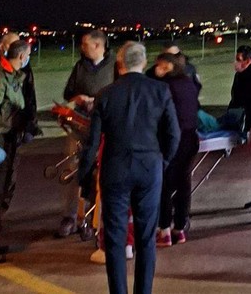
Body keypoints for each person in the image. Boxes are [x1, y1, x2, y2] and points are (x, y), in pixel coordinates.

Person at [78, 42, 179, 294]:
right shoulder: (160, 91)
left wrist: (84, 176)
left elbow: (92, 143)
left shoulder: (105, 94)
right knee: (146, 239)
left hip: (115, 168)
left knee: (114, 239)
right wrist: (161, 162)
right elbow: (173, 135)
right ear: (144, 62)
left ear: (119, 64)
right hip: (149, 167)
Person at [58, 30, 114, 238]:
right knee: (72, 169)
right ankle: (70, 216)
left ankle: (97, 218)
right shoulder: (80, 66)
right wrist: (79, 98)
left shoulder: (114, 66)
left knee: (102, 173)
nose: (81, 48)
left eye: (85, 44)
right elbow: (67, 92)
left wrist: (98, 102)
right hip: (80, 126)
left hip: (105, 128)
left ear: (98, 46)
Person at [152, 52, 200, 247]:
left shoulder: (165, 87)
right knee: (183, 183)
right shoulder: (189, 83)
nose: (158, 69)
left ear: (171, 67)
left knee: (163, 185)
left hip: (172, 139)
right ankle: (179, 228)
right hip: (190, 137)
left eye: (162, 66)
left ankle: (164, 230)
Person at [0, 38, 30, 264]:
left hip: (7, 137)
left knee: (0, 191)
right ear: (21, 56)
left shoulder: (12, 76)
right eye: (28, 55)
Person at [0, 33, 39, 217]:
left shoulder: (24, 71)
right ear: (2, 47)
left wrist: (30, 125)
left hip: (14, 132)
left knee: (8, 181)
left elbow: (30, 99)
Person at [228, 45, 251, 209]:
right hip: (250, 121)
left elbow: (249, 97)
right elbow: (235, 98)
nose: (236, 62)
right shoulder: (241, 74)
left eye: (239, 59)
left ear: (248, 61)